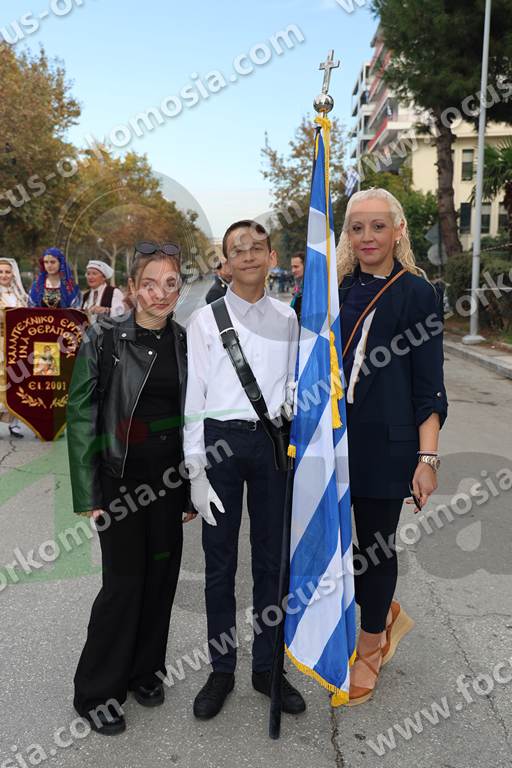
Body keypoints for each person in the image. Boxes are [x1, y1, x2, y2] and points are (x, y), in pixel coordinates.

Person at [67, 241, 197, 735]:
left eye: (170, 284)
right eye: (149, 284)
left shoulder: (185, 341)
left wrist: (190, 487)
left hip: (169, 481)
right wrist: (88, 493)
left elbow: (195, 419)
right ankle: (97, 692)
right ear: (131, 289)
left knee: (161, 580)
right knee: (123, 585)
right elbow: (82, 414)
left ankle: (145, 671)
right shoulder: (102, 338)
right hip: (119, 480)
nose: (160, 294)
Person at [184, 220, 305, 720]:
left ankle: (267, 667)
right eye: (239, 249)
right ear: (226, 263)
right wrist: (195, 470)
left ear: (272, 257)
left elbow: (295, 381)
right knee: (220, 563)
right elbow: (194, 397)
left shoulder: (289, 318)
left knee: (272, 562)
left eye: (258, 247)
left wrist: (294, 403)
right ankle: (222, 669)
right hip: (221, 445)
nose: (249, 255)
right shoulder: (205, 320)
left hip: (271, 444)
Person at [336, 188, 448, 706]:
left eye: (378, 226)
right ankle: (382, 614)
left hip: (386, 446)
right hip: (331, 444)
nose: (367, 237)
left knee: (374, 548)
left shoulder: (417, 293)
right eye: (357, 227)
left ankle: (371, 645)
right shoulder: (334, 290)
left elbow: (428, 386)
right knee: (334, 549)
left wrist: (427, 458)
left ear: (398, 230)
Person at [0, 257, 28, 438]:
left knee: (17, 380)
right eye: (1, 272)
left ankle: (15, 423)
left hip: (17, 344)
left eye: (7, 272)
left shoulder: (20, 295)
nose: (4, 275)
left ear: (13, 274)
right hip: (1, 340)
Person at [289, 251, 305, 322]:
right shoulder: (298, 284)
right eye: (292, 267)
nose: (293, 270)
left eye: (296, 267)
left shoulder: (310, 288)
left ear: (305, 266)